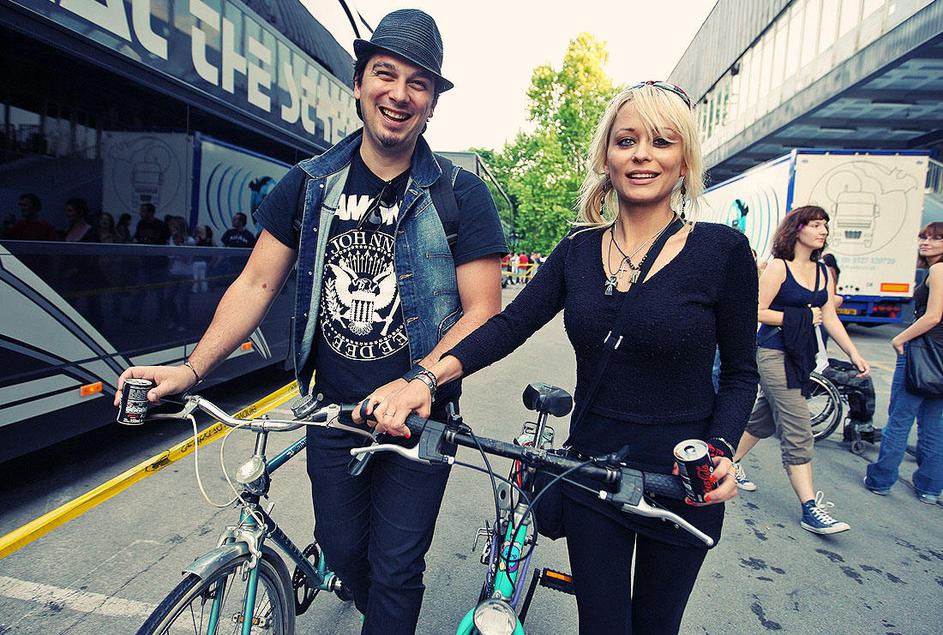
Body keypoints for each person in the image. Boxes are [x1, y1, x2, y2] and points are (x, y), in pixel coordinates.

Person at [115, 10, 506, 634]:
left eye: (418, 83)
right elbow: (256, 283)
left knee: (397, 571)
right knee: (346, 557)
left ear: (433, 102)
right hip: (330, 415)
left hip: (421, 421)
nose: (399, 94)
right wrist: (191, 370)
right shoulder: (309, 184)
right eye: (385, 74)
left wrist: (420, 382)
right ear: (359, 84)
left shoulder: (459, 193)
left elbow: (484, 310)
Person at [373, 82, 759, 634]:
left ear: (684, 160)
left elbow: (742, 374)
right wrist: (425, 380)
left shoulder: (722, 251)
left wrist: (719, 451)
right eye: (626, 141)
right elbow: (508, 326)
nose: (642, 155)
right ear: (606, 158)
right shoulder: (576, 250)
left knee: (657, 627)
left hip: (680, 482)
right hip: (591, 472)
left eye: (662, 141)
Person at [731, 205, 870, 535]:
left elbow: (830, 317)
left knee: (764, 418)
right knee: (798, 426)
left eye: (825, 226)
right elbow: (756, 310)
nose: (823, 231)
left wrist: (853, 353)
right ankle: (810, 508)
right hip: (772, 353)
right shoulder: (779, 267)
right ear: (797, 230)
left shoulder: (823, 272)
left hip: (801, 354)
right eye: (815, 225)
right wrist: (802, 317)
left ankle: (725, 462)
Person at [865, 222, 943, 504]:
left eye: (936, 238)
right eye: (924, 237)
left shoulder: (938, 270)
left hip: (922, 352)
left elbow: (933, 316)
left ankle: (881, 479)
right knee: (933, 424)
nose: (926, 242)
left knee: (900, 419)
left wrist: (901, 337)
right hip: (939, 356)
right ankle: (929, 487)